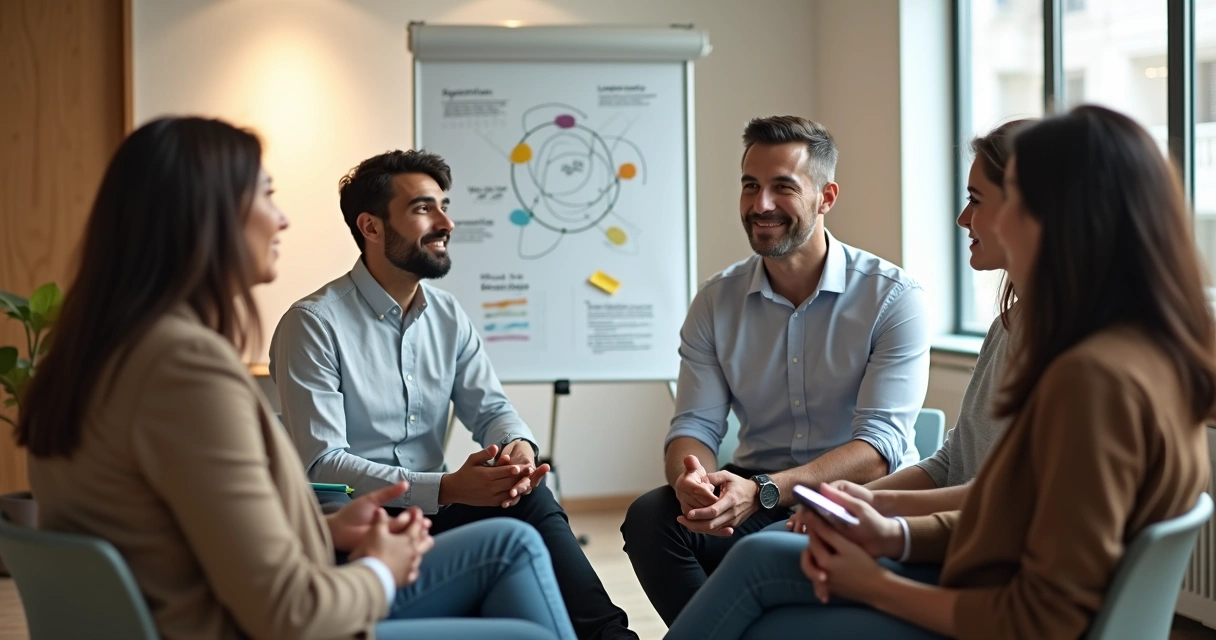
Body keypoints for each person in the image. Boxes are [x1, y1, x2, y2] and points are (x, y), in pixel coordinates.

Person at [663, 105, 1215, 639]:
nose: (964, 219)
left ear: (1056, 215)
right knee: (750, 555)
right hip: (976, 570)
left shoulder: (1095, 379)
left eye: (986, 200)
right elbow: (1004, 501)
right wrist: (881, 518)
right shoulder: (1076, 339)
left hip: (984, 600)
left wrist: (877, 580)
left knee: (763, 579)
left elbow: (1037, 615)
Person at [18, 117, 576, 640]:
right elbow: (290, 609)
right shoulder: (187, 370)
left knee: (515, 532)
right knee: (512, 555)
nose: (282, 218)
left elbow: (186, 533)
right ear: (205, 217)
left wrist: (324, 531)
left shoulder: (100, 357)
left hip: (213, 603)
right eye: (266, 194)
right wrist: (381, 570)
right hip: (252, 622)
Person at [270, 149, 636, 640]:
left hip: (432, 514)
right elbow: (323, 464)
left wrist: (516, 449)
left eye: (444, 206)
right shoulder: (312, 324)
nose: (446, 223)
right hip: (357, 531)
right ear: (371, 227)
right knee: (515, 537)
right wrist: (445, 488)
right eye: (423, 208)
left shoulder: (447, 315)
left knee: (529, 497)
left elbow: (491, 409)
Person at [620, 115, 932, 624]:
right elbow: (694, 426)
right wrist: (691, 480)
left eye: (782, 187)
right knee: (652, 517)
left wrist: (766, 490)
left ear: (826, 197)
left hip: (856, 498)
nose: (760, 204)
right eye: (750, 186)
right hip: (755, 488)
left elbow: (879, 449)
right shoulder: (715, 301)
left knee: (767, 546)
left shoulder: (892, 298)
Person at [787, 119, 1029, 527]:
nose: (963, 218)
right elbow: (952, 463)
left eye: (976, 200)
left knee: (764, 552)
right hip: (942, 533)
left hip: (967, 546)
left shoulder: (1068, 351)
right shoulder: (1006, 326)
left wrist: (878, 517)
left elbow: (1006, 500)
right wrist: (856, 500)